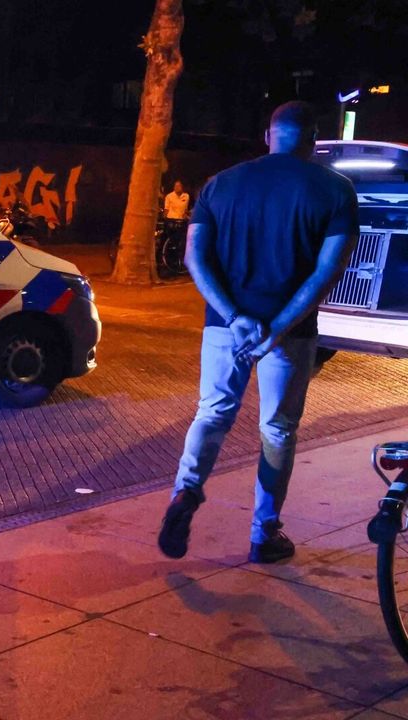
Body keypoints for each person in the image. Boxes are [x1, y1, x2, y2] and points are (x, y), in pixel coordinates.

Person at [158, 101, 358, 564]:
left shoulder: (219, 185)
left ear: (269, 136)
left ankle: (186, 491)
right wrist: (278, 327)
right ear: (312, 140)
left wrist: (233, 316)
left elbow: (194, 259)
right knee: (278, 430)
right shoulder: (335, 190)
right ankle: (264, 533)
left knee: (212, 413)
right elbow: (326, 274)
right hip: (288, 334)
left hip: (225, 328)